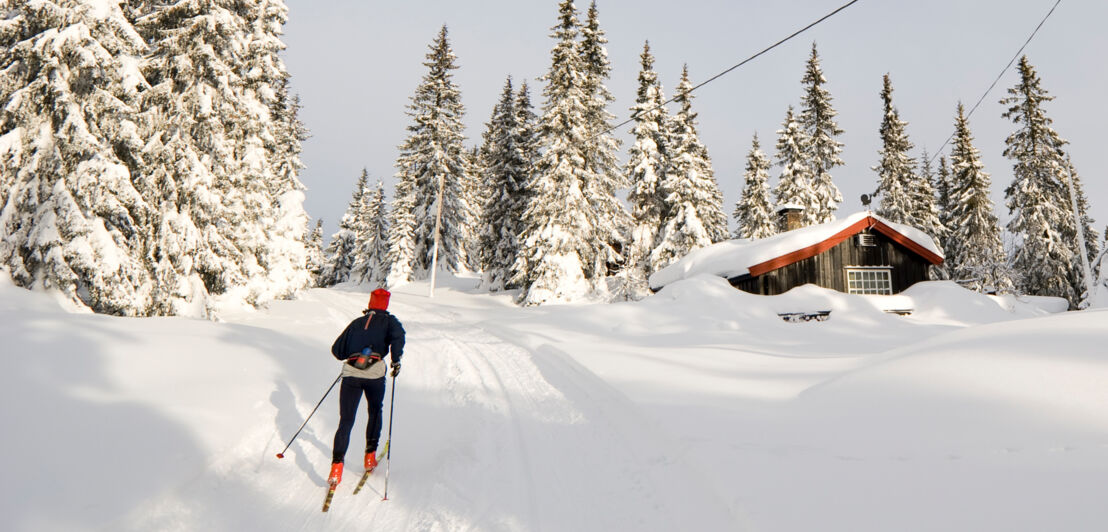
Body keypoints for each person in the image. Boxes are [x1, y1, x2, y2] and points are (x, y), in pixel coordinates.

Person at [327, 288, 405, 486]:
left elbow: (337, 350)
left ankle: (336, 468)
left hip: (352, 372)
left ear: (370, 303)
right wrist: (396, 361)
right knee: (375, 411)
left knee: (346, 420)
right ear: (385, 305)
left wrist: (355, 352)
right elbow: (398, 337)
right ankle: (369, 457)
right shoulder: (390, 322)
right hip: (375, 373)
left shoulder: (356, 323)